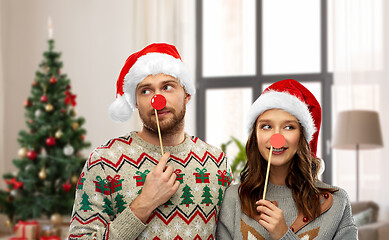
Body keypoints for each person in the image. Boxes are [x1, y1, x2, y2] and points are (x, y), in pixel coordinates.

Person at [68, 43, 232, 240]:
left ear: (187, 94)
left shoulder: (216, 162)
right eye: (146, 90)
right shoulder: (104, 161)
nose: (157, 99)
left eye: (167, 87)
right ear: (135, 101)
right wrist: (144, 204)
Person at [216, 79, 357, 240]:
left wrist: (283, 235)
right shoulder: (233, 198)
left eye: (289, 127)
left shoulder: (337, 203)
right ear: (255, 135)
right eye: (266, 126)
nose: (277, 138)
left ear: (302, 137)